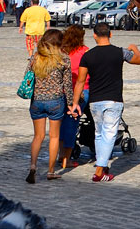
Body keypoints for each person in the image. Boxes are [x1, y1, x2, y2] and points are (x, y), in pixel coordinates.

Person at [70, 22, 140, 182]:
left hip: (95, 101)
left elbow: (80, 81)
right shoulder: (119, 53)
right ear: (110, 35)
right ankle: (100, 170)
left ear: (94, 36)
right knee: (110, 133)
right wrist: (134, 48)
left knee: (99, 134)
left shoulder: (88, 56)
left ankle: (101, 164)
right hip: (114, 99)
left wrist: (75, 102)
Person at [24, 27, 74, 183]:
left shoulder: (35, 58)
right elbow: (67, 85)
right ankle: (51, 171)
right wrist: (71, 104)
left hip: (37, 101)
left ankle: (33, 166)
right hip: (56, 101)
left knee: (38, 136)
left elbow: (27, 78)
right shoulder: (64, 59)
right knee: (54, 137)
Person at [58, 25, 89, 170]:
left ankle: (59, 154)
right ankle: (67, 159)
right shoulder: (84, 51)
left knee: (60, 124)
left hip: (63, 90)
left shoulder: (61, 51)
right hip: (82, 90)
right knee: (72, 123)